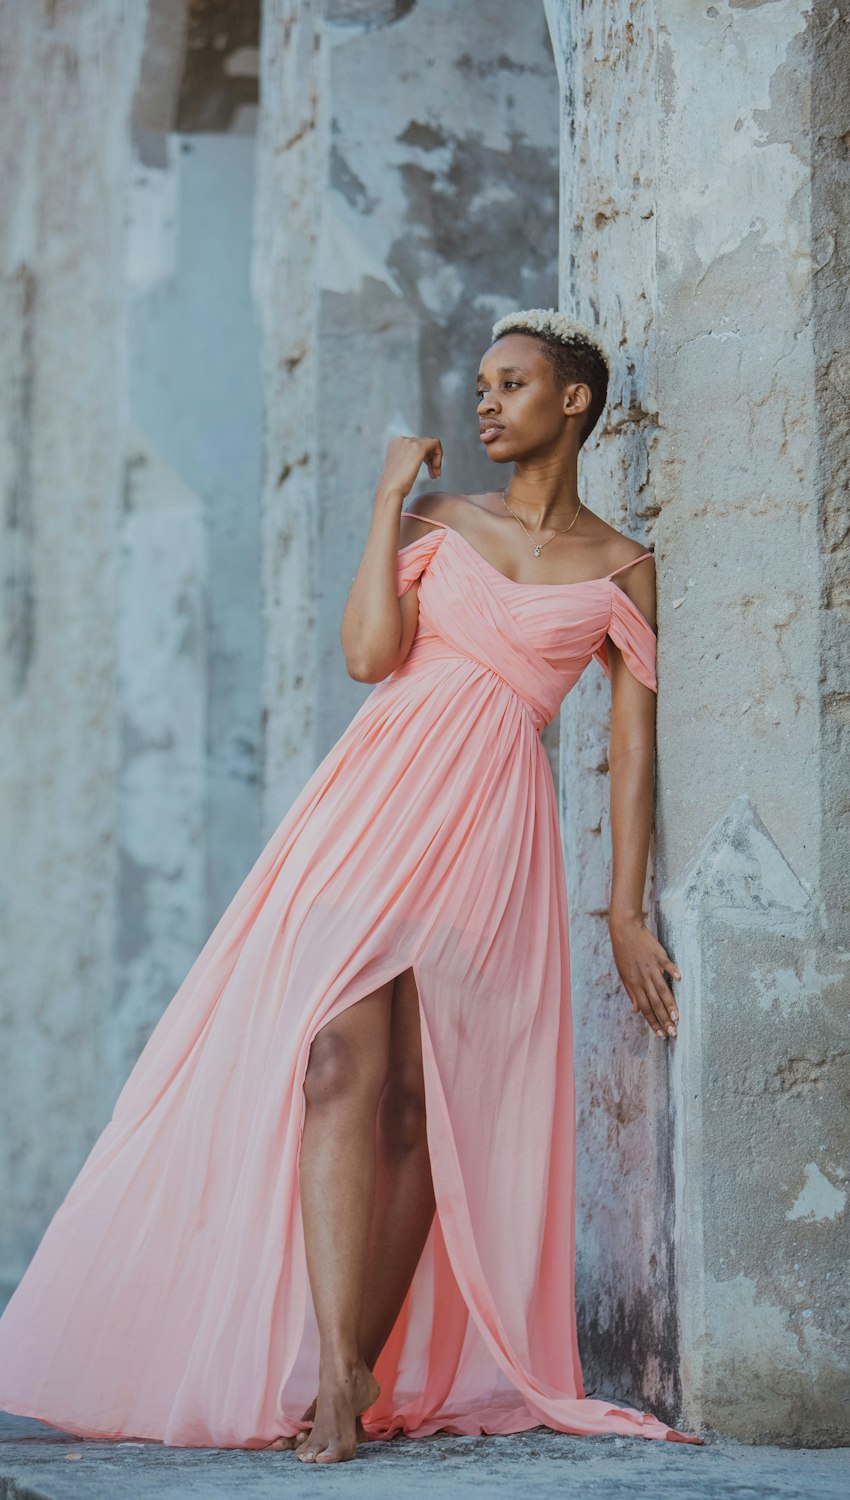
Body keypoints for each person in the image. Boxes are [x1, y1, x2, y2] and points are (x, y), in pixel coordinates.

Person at [0, 308, 700, 1463]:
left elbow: (634, 753)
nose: (484, 402)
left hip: (490, 839)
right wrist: (383, 501)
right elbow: (369, 657)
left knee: (430, 1114)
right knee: (334, 1065)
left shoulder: (624, 568)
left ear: (571, 401)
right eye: (480, 384)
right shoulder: (439, 519)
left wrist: (622, 909)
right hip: (372, 810)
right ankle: (331, 1367)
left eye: (511, 383)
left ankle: (363, 1363)